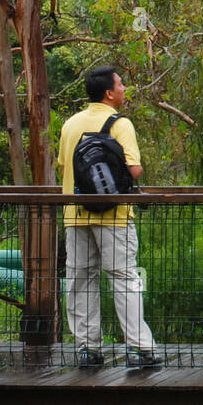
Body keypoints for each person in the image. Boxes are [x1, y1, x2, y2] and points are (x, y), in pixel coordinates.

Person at [57, 66, 161, 368]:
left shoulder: (70, 124)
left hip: (75, 214)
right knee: (124, 278)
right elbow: (134, 169)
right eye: (120, 84)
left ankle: (88, 348)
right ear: (109, 93)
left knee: (80, 280)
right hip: (114, 214)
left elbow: (65, 164)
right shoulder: (120, 124)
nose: (124, 87)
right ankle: (139, 348)